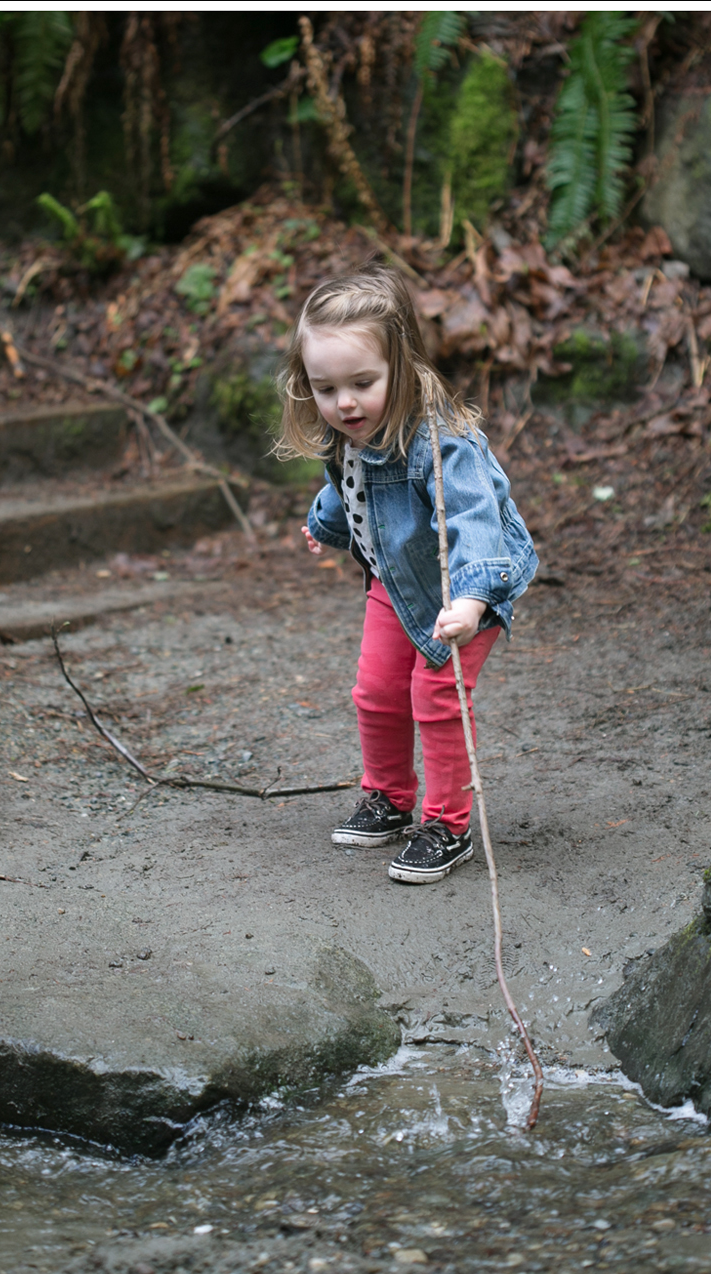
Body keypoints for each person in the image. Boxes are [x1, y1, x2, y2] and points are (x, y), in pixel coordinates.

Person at [273, 261, 537, 883]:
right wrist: (325, 523)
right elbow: (350, 484)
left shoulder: (442, 442)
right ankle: (389, 798)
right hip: (396, 585)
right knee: (376, 689)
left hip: (464, 586)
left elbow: (475, 518)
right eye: (324, 388)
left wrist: (472, 599)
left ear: (404, 365)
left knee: (436, 695)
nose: (343, 402)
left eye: (362, 383)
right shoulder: (350, 430)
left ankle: (447, 825)